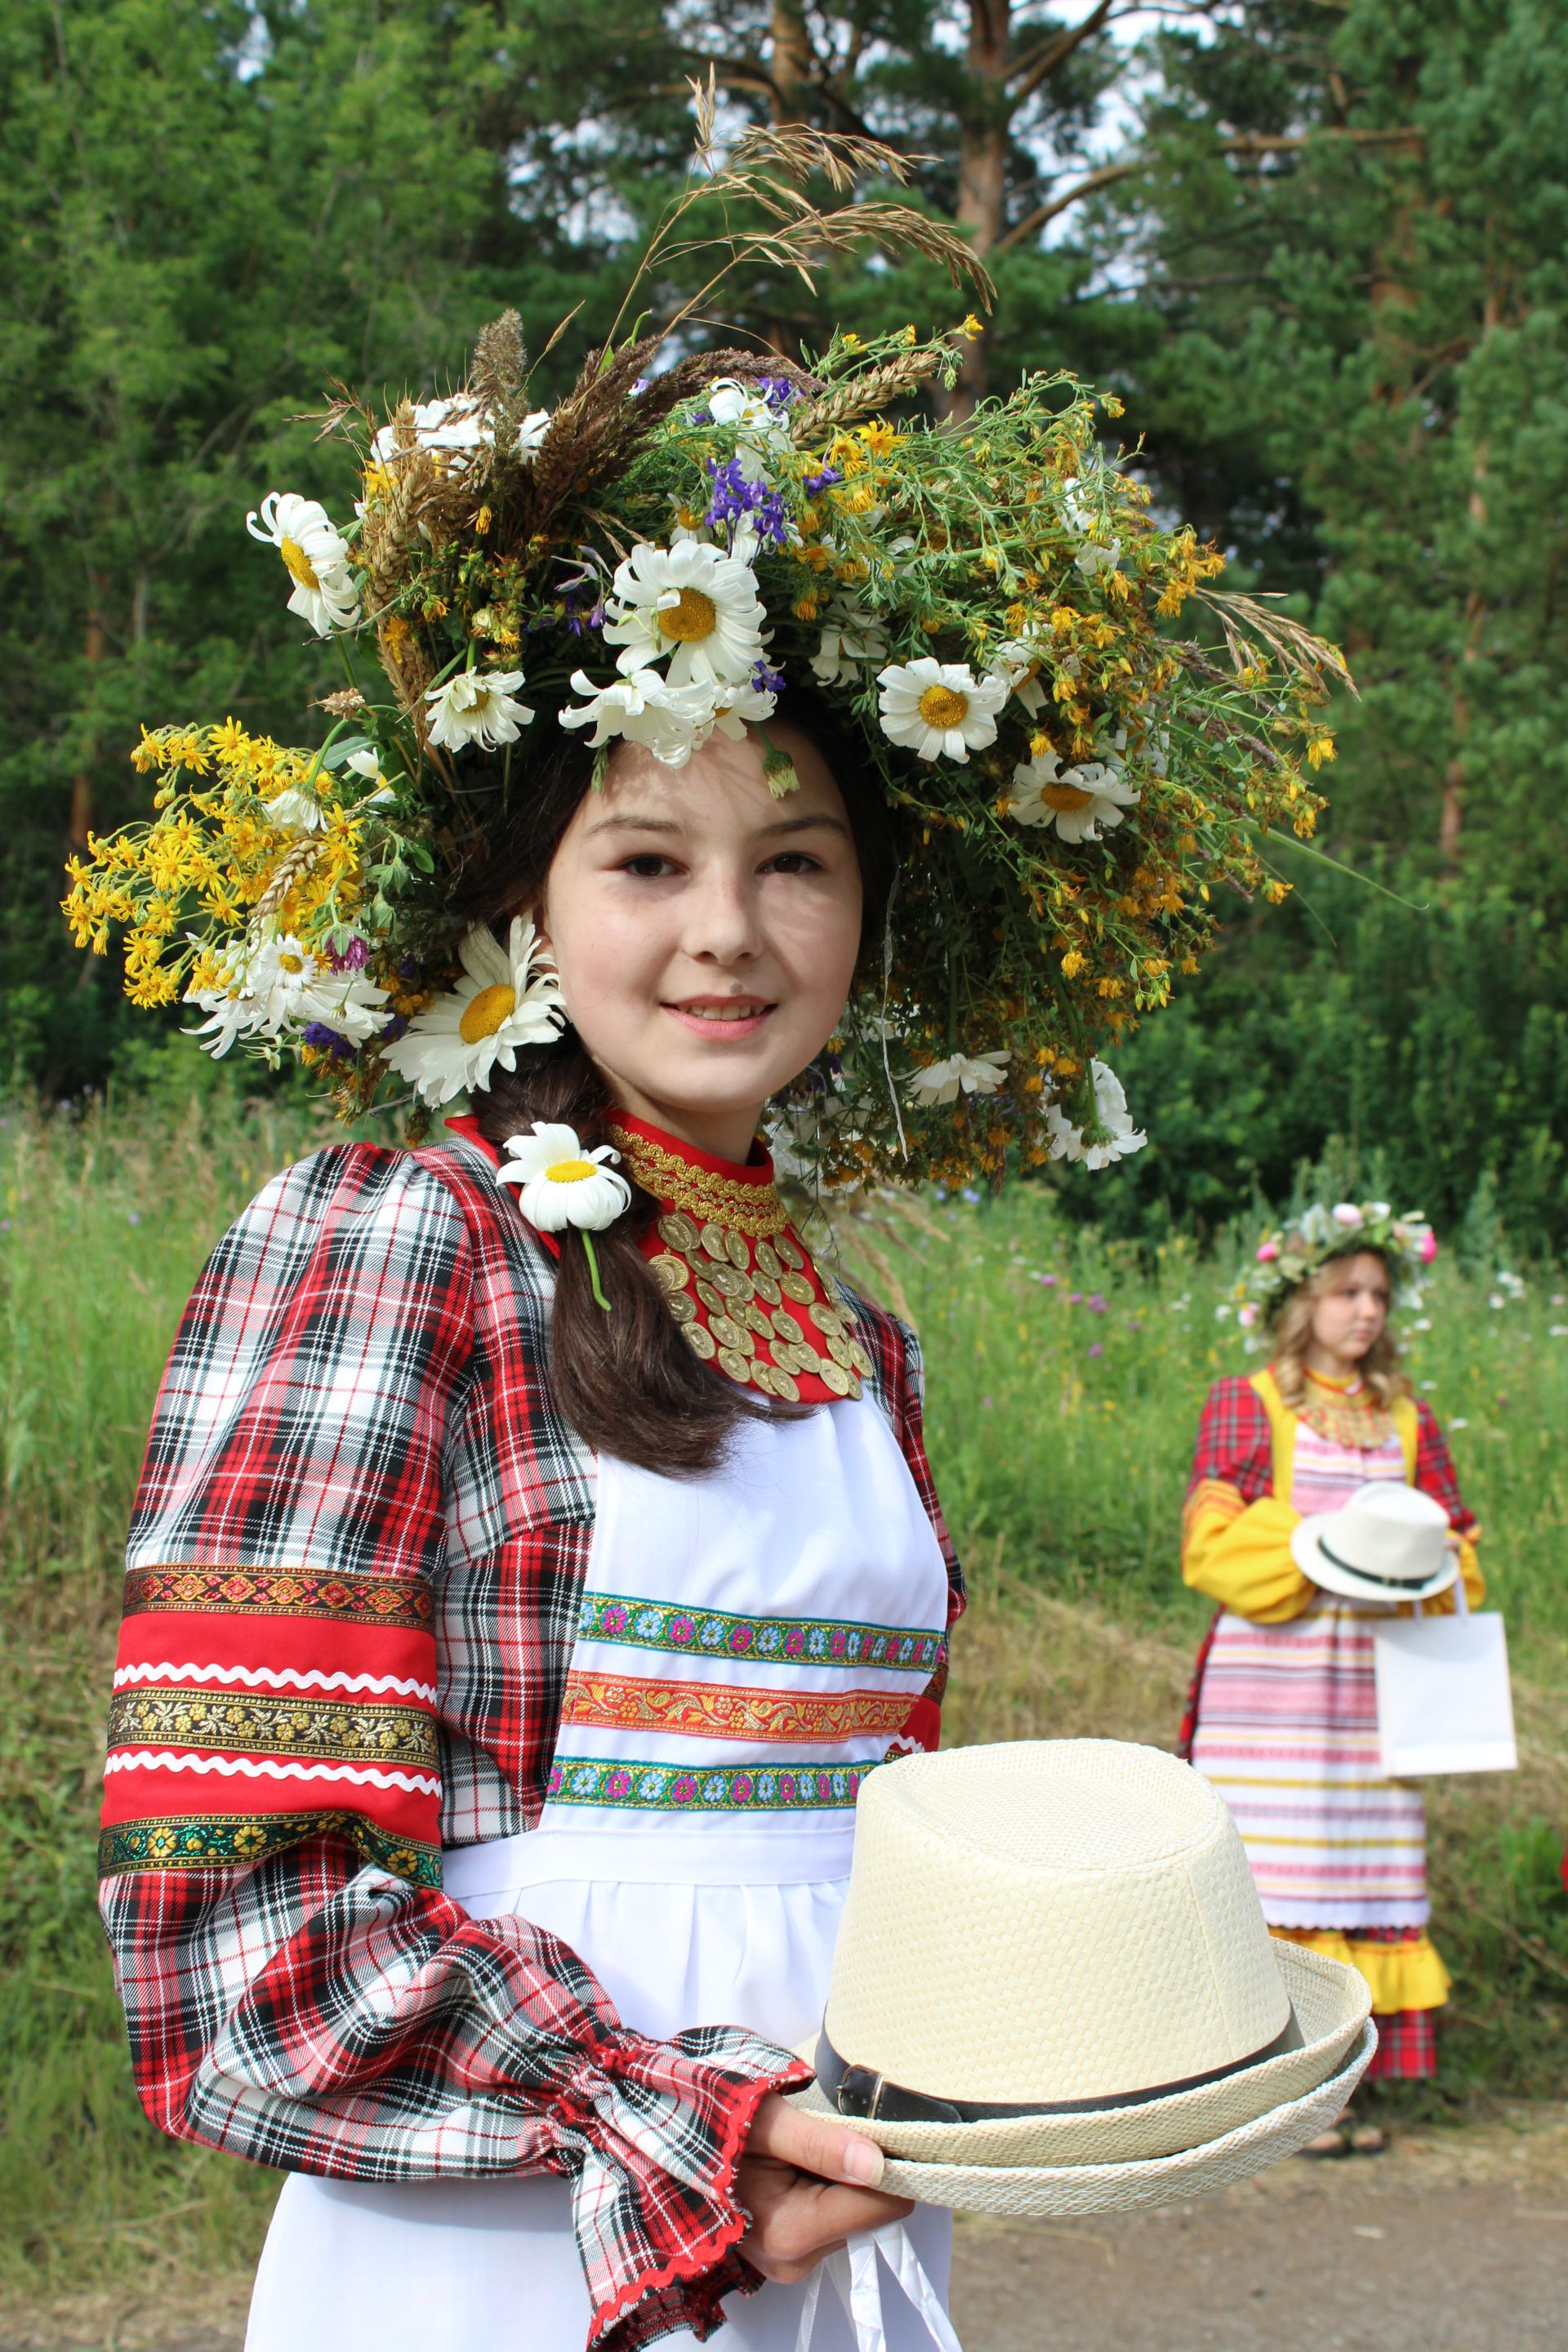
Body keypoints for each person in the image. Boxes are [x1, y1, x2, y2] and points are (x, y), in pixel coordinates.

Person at [76, 126, 1345, 2352]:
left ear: (879, 907)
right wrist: (671, 2129)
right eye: (649, 860)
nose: (734, 935)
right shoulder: (402, 1242)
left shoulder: (867, 1344)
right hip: (515, 2239)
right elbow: (227, 1939)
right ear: (523, 906)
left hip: (836, 2221)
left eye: (804, 863)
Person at [1177, 1205, 1481, 2146]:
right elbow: (1211, 1544)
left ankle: (1344, 2088)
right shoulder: (1251, 1399)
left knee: (1365, 1860)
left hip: (1376, 1679)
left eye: (1379, 1294)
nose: (1365, 1311)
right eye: (1346, 1291)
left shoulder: (1406, 1416)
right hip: (1276, 1679)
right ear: (1302, 1299)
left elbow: (1455, 1542)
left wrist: (1422, 1567)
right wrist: (1317, 1548)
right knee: (1278, 1861)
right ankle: (1274, 2093)